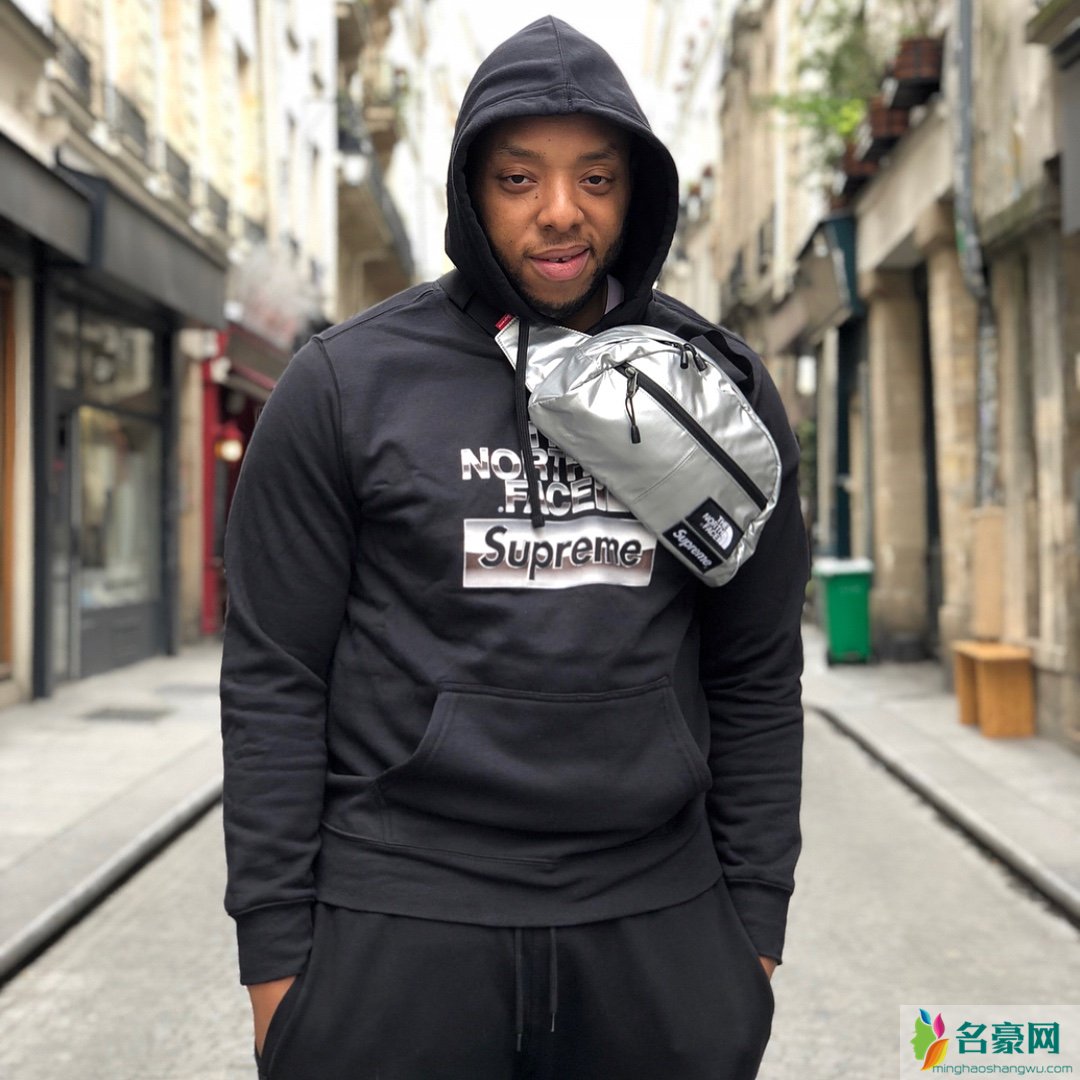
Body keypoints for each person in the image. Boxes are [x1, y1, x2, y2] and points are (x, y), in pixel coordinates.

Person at [220, 16, 808, 1080]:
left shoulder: (715, 395)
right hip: (401, 913)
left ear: (636, 193)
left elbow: (758, 668)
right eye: (519, 177)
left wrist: (751, 942)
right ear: (471, 190)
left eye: (597, 177)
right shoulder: (346, 383)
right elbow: (274, 674)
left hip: (656, 922)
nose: (561, 210)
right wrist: (278, 973)